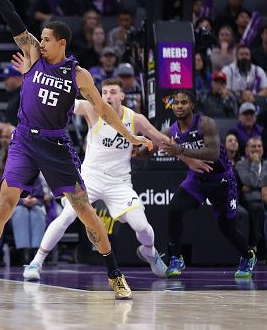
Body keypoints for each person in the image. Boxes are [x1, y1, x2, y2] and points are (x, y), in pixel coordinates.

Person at [0, 0, 152, 302]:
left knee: (82, 209)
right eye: (41, 39)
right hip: (23, 141)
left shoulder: (77, 74)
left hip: (55, 145)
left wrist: (129, 134)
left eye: (46, 40)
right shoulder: (33, 54)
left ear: (61, 43)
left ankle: (115, 273)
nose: (40, 42)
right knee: (5, 203)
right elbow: (11, 15)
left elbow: (104, 110)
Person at [21, 78, 204, 281]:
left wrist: (188, 160)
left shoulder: (134, 119)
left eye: (113, 92)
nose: (108, 96)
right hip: (90, 178)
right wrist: (37, 88)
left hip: (119, 183)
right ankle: (36, 263)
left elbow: (160, 139)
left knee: (142, 227)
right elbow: (62, 101)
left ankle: (150, 253)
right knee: (66, 217)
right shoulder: (91, 109)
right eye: (105, 92)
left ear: (122, 96)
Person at [160, 90, 256, 278]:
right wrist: (140, 148)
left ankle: (247, 255)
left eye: (184, 102)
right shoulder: (172, 130)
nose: (179, 106)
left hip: (221, 180)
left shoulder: (206, 123)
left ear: (192, 105)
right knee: (174, 210)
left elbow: (212, 153)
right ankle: (176, 258)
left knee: (226, 228)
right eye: (176, 103)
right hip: (196, 178)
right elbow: (155, 139)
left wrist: (180, 149)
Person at [235, 137, 267, 252]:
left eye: (259, 146)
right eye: (253, 146)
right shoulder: (241, 165)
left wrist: (253, 186)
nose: (257, 149)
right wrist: (255, 164)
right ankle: (253, 245)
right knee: (256, 208)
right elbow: (251, 181)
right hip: (248, 201)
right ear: (247, 150)